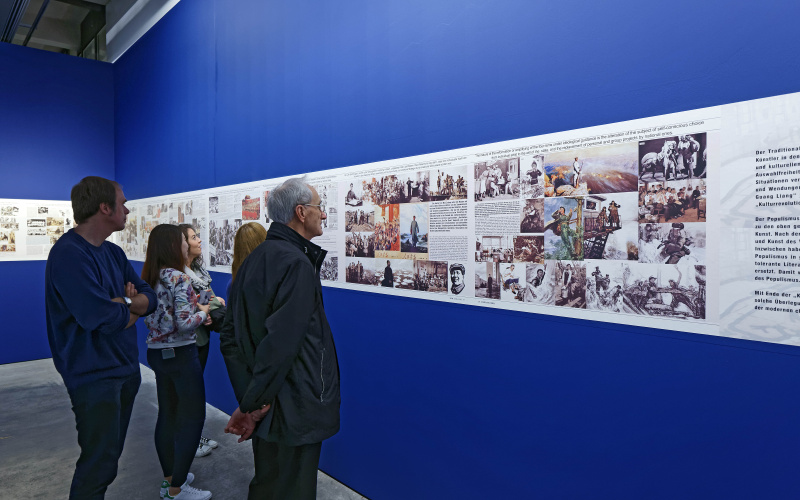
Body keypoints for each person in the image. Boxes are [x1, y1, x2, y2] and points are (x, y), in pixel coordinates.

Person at [220, 178, 340, 500]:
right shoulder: (296, 264)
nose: (323, 215)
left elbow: (230, 337)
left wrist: (250, 400)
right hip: (294, 408)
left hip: (270, 407)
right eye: (319, 208)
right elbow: (281, 346)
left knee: (269, 484)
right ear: (301, 212)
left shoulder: (254, 260)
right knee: (293, 489)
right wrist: (254, 404)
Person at [45, 177, 157, 499]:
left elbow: (150, 298)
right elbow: (99, 318)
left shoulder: (113, 252)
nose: (127, 209)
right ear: (104, 207)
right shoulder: (68, 254)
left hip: (123, 370)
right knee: (98, 465)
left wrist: (123, 305)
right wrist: (128, 307)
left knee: (107, 462)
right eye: (122, 202)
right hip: (93, 377)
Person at [141, 224, 212, 500]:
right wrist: (204, 310)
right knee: (193, 416)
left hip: (157, 353)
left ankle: (170, 478)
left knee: (167, 414)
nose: (190, 243)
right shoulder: (179, 278)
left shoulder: (151, 276)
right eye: (186, 239)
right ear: (175, 245)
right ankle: (177, 488)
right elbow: (184, 323)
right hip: (182, 352)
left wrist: (201, 307)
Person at [178, 223, 226, 457]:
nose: (199, 240)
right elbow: (191, 305)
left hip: (202, 336)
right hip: (187, 340)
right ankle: (187, 439)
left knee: (195, 390)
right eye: (194, 237)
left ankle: (193, 435)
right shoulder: (178, 275)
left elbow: (206, 298)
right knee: (187, 392)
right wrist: (208, 308)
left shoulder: (198, 272)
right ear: (183, 244)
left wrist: (209, 307)